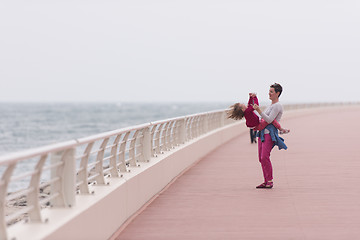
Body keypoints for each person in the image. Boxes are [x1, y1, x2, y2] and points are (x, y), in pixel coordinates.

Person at [252, 83, 287, 189]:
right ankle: (266, 180)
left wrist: (259, 111)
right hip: (262, 134)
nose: (269, 93)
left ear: (278, 93)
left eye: (272, 92)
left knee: (265, 157)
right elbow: (261, 118)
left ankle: (270, 181)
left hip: (269, 135)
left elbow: (269, 119)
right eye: (269, 91)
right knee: (261, 158)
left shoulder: (278, 106)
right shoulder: (270, 106)